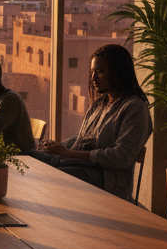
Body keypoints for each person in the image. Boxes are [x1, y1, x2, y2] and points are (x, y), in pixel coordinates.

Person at [30, 43, 152, 201]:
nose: (93, 78)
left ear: (118, 72)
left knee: (47, 175)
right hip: (79, 167)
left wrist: (67, 153)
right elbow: (80, 137)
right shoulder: (100, 103)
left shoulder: (134, 108)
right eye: (92, 72)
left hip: (106, 182)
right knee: (29, 155)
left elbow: (121, 157)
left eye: (100, 72)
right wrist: (56, 146)